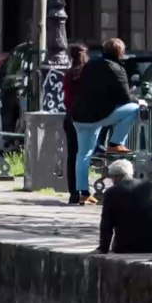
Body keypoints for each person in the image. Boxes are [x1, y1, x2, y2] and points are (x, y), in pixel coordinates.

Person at [71, 38, 145, 205]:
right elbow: (126, 97)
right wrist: (139, 101)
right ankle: (116, 141)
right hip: (98, 116)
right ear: (120, 52)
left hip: (80, 115)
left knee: (83, 155)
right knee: (134, 109)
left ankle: (83, 193)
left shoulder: (91, 64)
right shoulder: (117, 68)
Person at [98, 159, 152, 254]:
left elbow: (107, 223)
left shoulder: (111, 192)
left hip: (128, 245)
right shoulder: (151, 186)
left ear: (116, 177)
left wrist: (103, 248)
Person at [62, 43, 89, 204]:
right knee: (84, 155)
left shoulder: (69, 75)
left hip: (70, 117)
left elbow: (66, 100)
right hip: (86, 118)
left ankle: (73, 192)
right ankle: (84, 190)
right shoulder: (89, 75)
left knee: (72, 156)